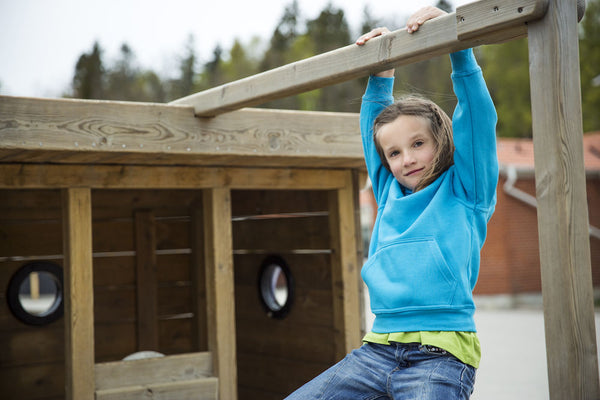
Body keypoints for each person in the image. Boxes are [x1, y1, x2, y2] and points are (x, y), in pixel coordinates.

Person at [285, 5, 498, 400]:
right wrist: (381, 68)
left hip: (440, 355)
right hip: (377, 351)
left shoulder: (466, 189)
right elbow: (372, 127)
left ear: (441, 141)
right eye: (395, 153)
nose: (407, 159)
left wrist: (457, 44)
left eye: (418, 144)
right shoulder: (387, 191)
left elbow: (478, 119)